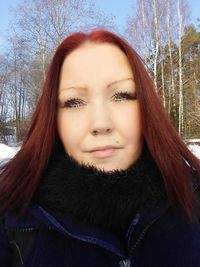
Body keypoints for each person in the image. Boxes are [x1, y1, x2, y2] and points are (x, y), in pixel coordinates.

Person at [0, 29, 200, 267]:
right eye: (74, 102)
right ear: (53, 119)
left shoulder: (192, 197)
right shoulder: (12, 218)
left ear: (148, 107)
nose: (100, 124)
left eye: (122, 96)